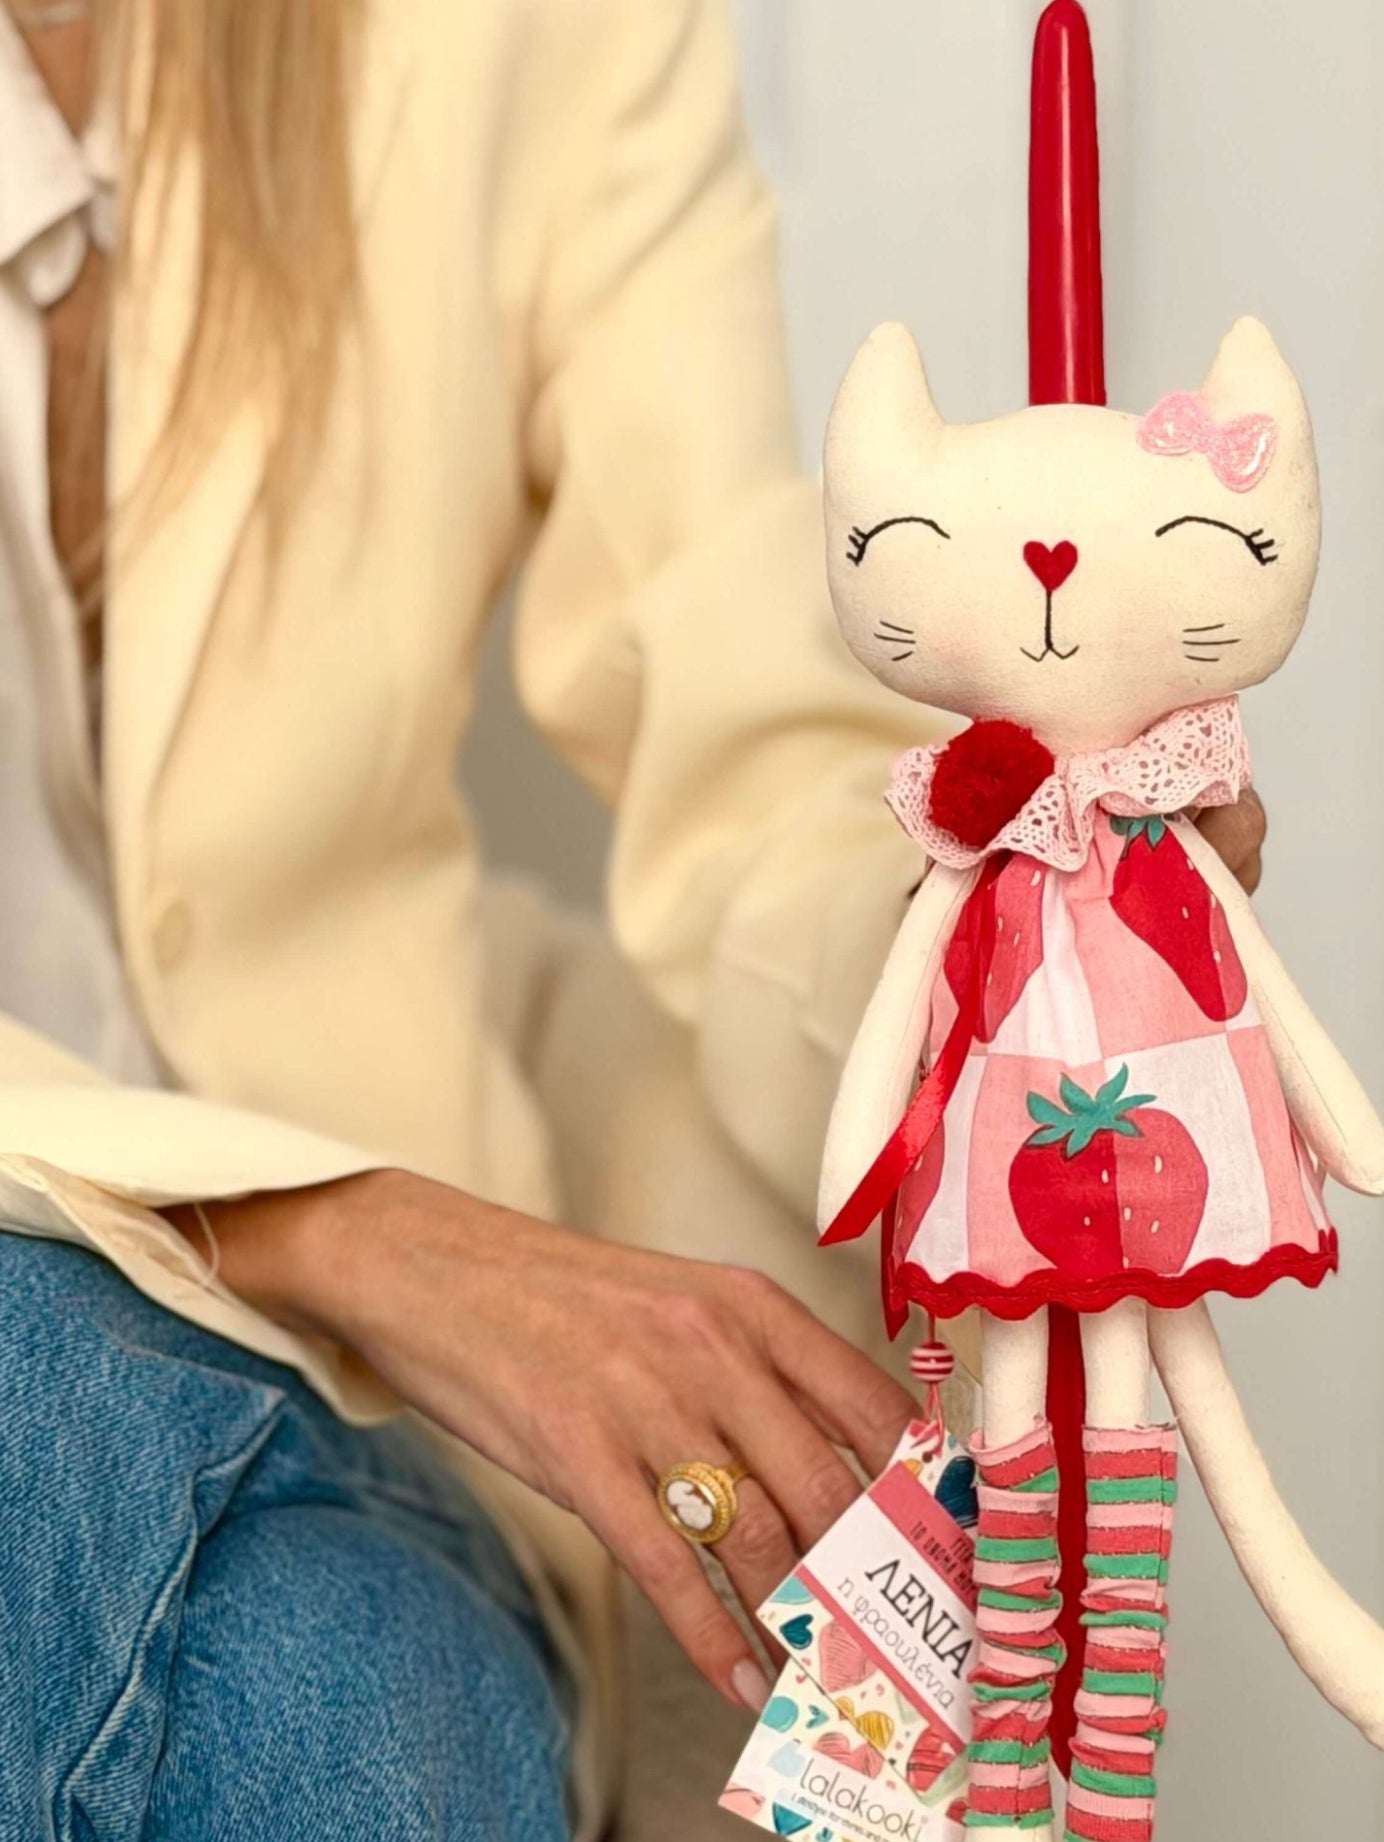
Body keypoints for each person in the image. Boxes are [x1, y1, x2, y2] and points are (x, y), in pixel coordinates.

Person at [0, 1, 1271, 1836]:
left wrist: (979, 929)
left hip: (370, 1407)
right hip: (307, 1290)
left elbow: (732, 702)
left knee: (373, 1723)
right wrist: (354, 1234)